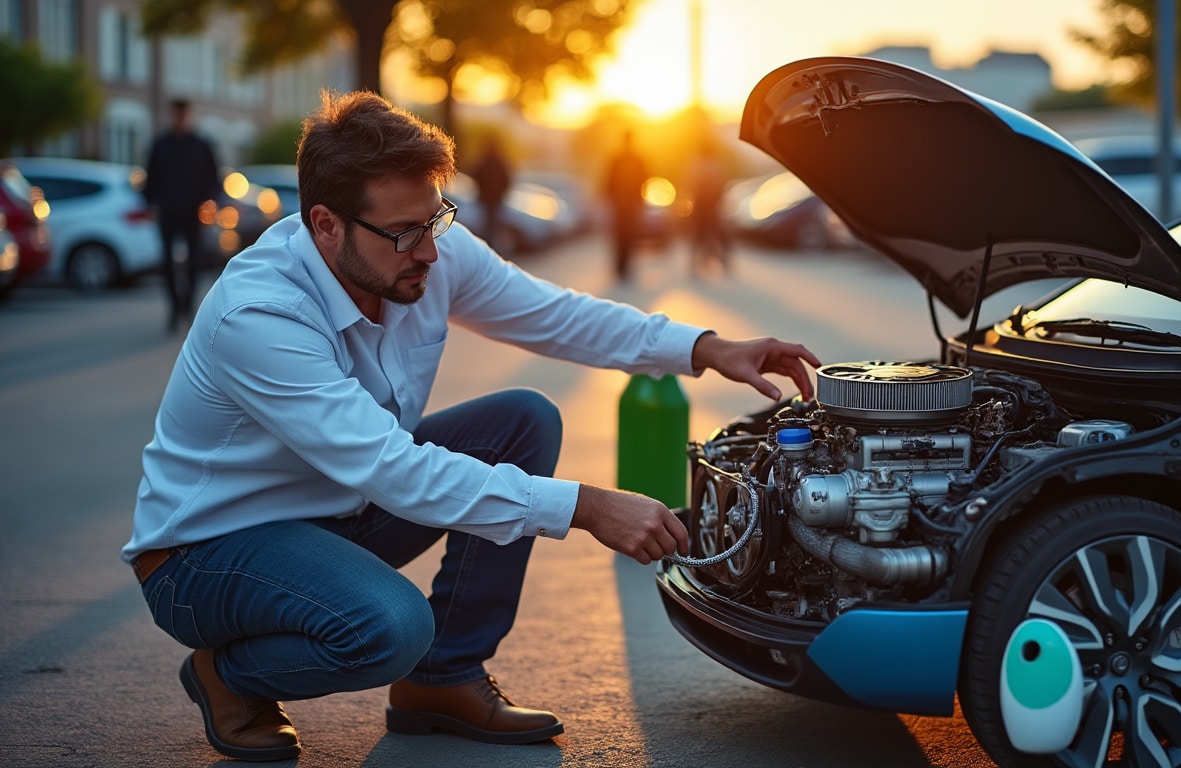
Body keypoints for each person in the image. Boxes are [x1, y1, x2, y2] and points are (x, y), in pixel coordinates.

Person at [121, 89, 820, 763]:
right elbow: (392, 469)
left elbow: (555, 314)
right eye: (404, 232)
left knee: (523, 420)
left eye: (435, 220)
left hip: (339, 512)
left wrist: (706, 348)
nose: (429, 250)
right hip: (208, 555)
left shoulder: (421, 249)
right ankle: (229, 675)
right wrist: (586, 507)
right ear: (326, 225)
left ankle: (444, 676)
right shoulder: (261, 314)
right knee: (392, 628)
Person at [144, 98, 221, 332]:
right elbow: (150, 178)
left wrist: (209, 202)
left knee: (194, 261)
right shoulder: (161, 145)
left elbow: (214, 178)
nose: (180, 119)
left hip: (193, 212)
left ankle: (188, 306)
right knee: (167, 262)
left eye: (183, 114)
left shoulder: (201, 145)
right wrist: (151, 203)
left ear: (189, 116)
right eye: (176, 114)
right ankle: (174, 307)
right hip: (168, 211)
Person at [602, 130, 648, 281]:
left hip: (627, 203)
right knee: (622, 236)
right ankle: (621, 267)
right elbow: (609, 180)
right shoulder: (622, 159)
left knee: (626, 236)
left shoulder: (629, 159)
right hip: (623, 203)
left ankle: (624, 267)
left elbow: (644, 180)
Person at [687, 139, 731, 276]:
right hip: (712, 206)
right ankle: (725, 262)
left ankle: (694, 265)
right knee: (718, 235)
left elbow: (693, 186)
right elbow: (721, 185)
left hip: (701, 207)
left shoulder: (697, 166)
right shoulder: (715, 165)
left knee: (699, 236)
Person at [468, 134, 511, 250]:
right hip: (493, 199)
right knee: (493, 225)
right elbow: (507, 180)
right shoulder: (500, 162)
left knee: (488, 225)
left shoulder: (484, 162)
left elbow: (474, 175)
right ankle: (491, 246)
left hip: (487, 198)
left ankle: (488, 245)